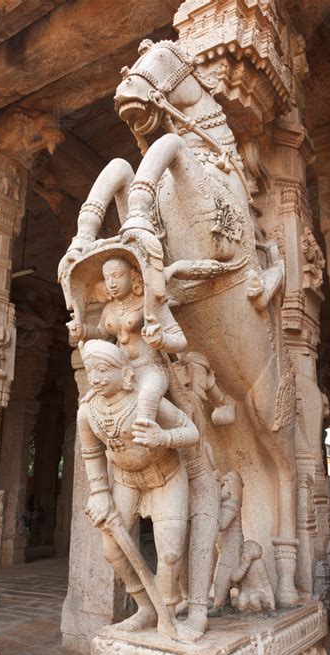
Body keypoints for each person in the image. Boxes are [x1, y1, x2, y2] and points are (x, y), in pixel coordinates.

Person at [77, 339, 198, 635]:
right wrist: (99, 493)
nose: (96, 378)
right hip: (126, 481)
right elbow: (91, 454)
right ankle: (146, 607)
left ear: (125, 373)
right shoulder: (88, 412)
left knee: (169, 553)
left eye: (104, 370)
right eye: (91, 371)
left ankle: (167, 611)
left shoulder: (146, 401)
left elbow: (191, 431)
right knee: (113, 550)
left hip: (166, 476)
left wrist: (163, 439)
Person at [68, 256, 186, 421]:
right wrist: (84, 331)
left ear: (133, 276)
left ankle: (149, 436)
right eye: (107, 277)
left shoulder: (150, 303)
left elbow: (180, 341)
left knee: (147, 397)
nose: (112, 283)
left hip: (150, 367)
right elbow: (103, 334)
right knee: (87, 410)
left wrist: (161, 339)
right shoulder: (109, 308)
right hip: (119, 371)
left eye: (117, 276)